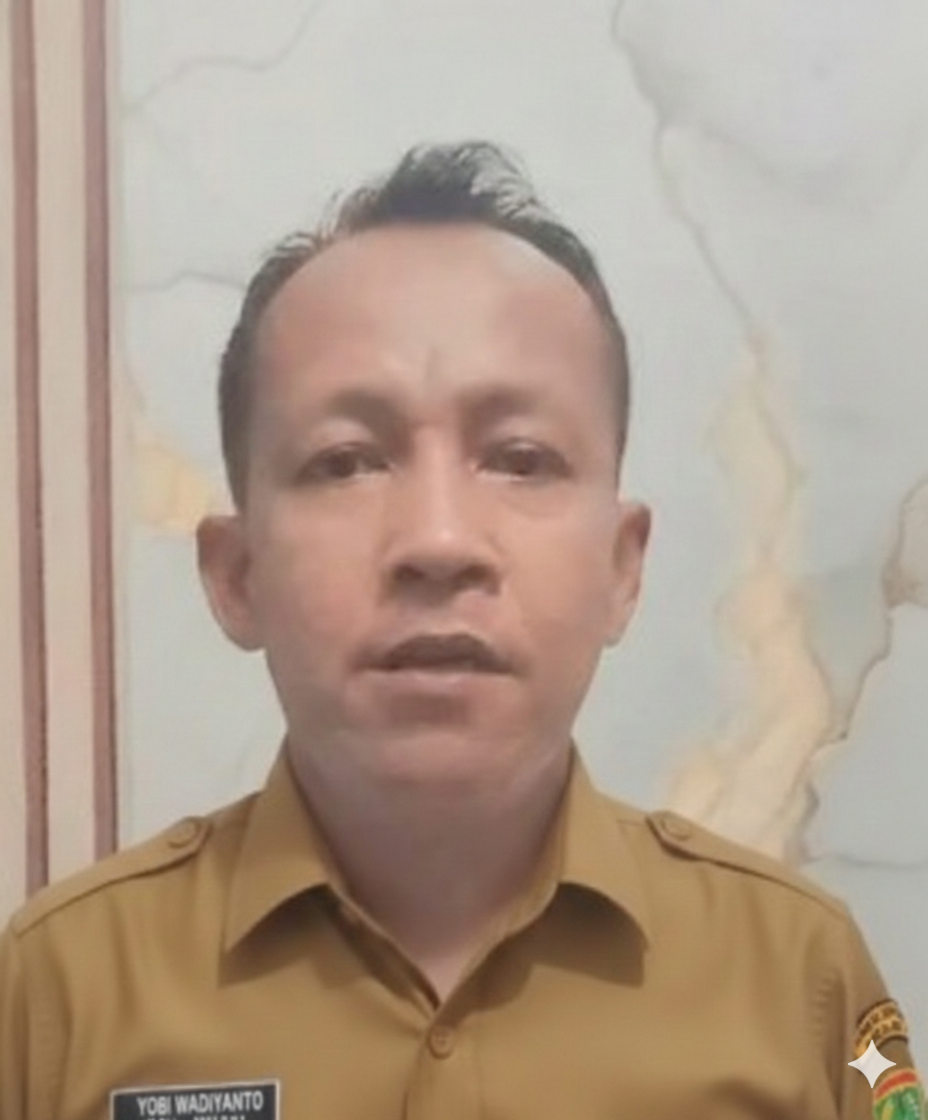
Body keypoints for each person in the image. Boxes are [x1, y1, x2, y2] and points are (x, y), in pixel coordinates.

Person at [0, 141, 922, 1120]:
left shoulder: (802, 979)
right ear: (236, 576)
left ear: (622, 568)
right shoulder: (57, 996)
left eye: (520, 458)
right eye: (347, 460)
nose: (438, 541)